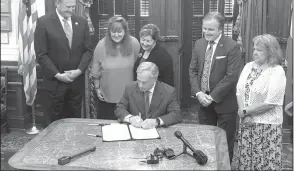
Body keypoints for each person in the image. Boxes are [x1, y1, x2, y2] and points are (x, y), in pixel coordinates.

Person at [34, 0, 93, 125]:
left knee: (74, 121)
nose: (71, 10)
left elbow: (88, 50)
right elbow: (41, 54)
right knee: (54, 122)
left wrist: (79, 71)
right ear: (57, 3)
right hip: (55, 83)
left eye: (73, 6)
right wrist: (57, 74)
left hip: (76, 82)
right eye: (68, 6)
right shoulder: (43, 23)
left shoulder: (82, 22)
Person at [189, 11, 241, 163]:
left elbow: (231, 76)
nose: (206, 32)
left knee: (224, 143)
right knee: (206, 141)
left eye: (210, 29)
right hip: (203, 102)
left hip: (224, 103)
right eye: (204, 28)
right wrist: (198, 93)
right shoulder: (199, 44)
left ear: (220, 30)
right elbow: (192, 70)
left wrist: (212, 97)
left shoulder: (232, 46)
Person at [236, 34, 286, 170]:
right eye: (254, 49)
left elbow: (272, 102)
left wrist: (245, 111)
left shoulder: (277, 71)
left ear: (270, 52)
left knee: (264, 164)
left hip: (266, 127)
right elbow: (239, 91)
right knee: (247, 161)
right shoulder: (248, 66)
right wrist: (244, 115)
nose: (254, 53)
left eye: (259, 50)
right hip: (247, 123)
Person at [91, 16, 140, 120]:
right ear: (109, 32)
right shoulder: (101, 45)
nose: (116, 35)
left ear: (125, 31)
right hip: (107, 96)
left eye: (119, 32)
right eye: (113, 32)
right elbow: (96, 70)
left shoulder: (134, 43)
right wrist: (97, 88)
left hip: (129, 96)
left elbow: (139, 67)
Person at [115, 62, 182, 128]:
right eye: (138, 80)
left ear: (155, 79)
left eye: (144, 82)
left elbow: (176, 114)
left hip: (158, 132)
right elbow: (119, 108)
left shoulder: (168, 91)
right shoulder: (130, 88)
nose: (140, 85)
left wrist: (156, 121)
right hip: (136, 130)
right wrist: (130, 118)